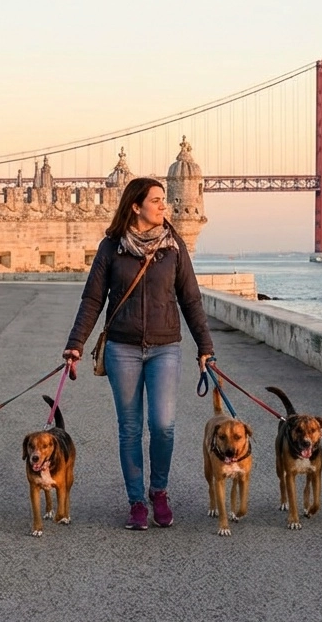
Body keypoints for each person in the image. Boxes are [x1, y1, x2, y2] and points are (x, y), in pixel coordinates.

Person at [63, 177, 214, 531]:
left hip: (165, 347)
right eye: (157, 200)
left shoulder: (174, 245)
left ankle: (158, 491)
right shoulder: (111, 247)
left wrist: (205, 347)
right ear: (136, 206)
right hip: (122, 348)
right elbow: (93, 300)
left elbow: (191, 298)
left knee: (163, 425)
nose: (165, 206)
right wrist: (76, 344)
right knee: (130, 428)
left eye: (165, 200)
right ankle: (136, 502)